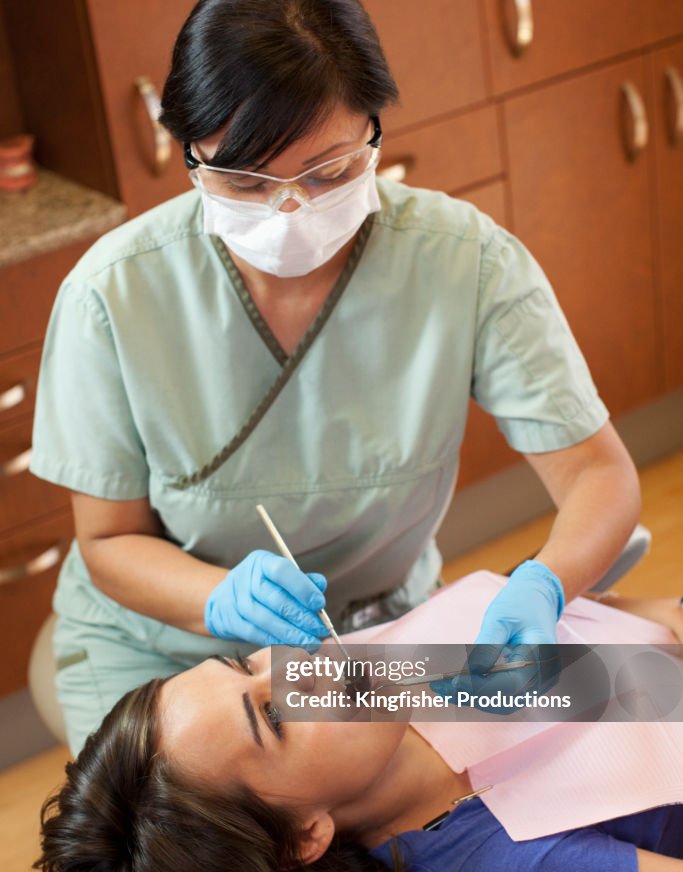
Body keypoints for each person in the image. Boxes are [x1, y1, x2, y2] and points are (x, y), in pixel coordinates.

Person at [30, 0, 641, 758]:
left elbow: (596, 474)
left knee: (559, 750)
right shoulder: (112, 295)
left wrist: (543, 583)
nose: (291, 210)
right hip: (170, 658)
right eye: (246, 183)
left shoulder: (464, 261)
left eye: (330, 171)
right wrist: (216, 599)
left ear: (373, 133)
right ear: (190, 153)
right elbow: (109, 542)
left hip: (369, 640)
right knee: (208, 854)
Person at [36, 584, 683, 872]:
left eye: (243, 664)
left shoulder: (384, 686)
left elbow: (620, 624)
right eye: (270, 716)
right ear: (301, 837)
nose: (294, 667)